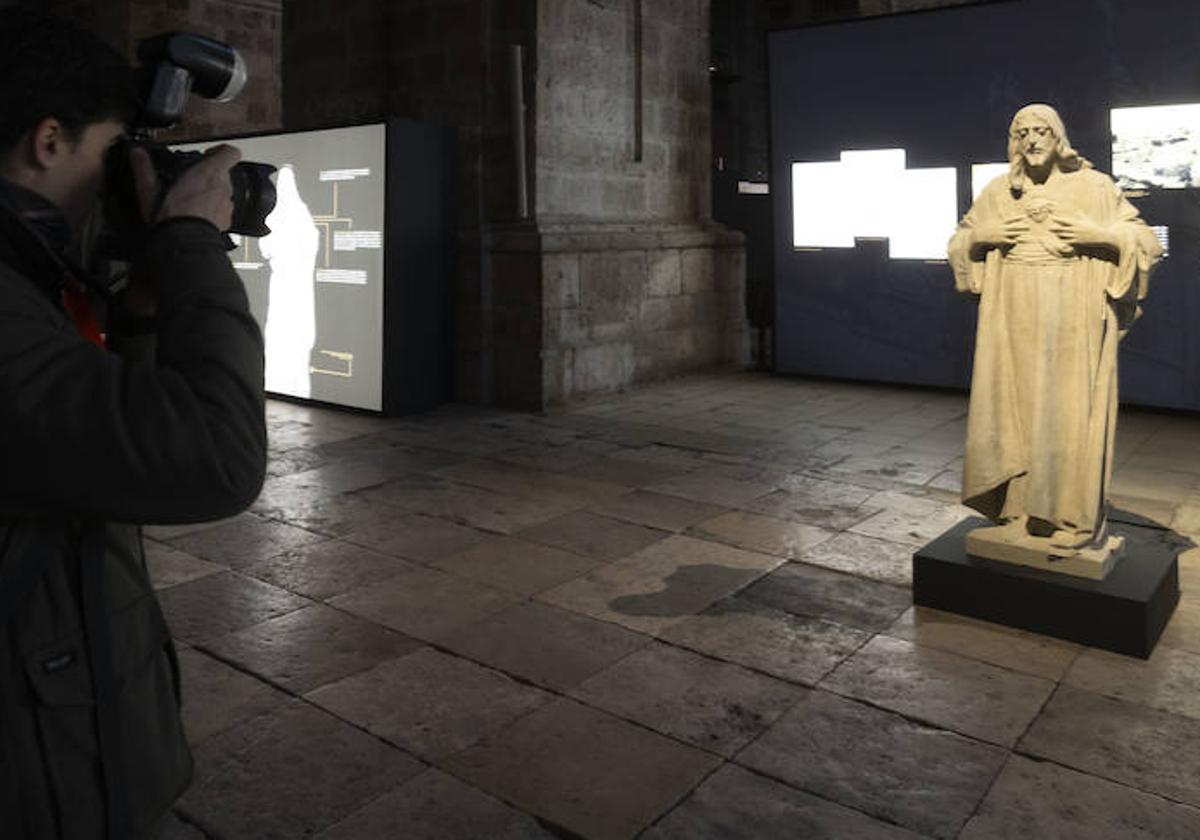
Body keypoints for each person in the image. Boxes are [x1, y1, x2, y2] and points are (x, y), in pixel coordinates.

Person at [0, 10, 266, 839]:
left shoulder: (26, 277)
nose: (121, 182)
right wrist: (189, 238)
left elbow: (113, 443)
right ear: (49, 141)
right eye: (112, 154)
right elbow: (215, 458)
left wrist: (145, 311)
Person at [947, 103, 1161, 569]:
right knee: (1016, 414)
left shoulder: (1094, 187)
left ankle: (1068, 518)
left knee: (1065, 413)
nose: (1032, 141)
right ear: (1013, 142)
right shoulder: (1000, 191)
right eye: (1021, 133)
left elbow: (1146, 242)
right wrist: (983, 234)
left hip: (1072, 313)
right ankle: (1020, 511)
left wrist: (1100, 235)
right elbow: (960, 243)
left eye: (1041, 131)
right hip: (1014, 313)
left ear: (1058, 136)